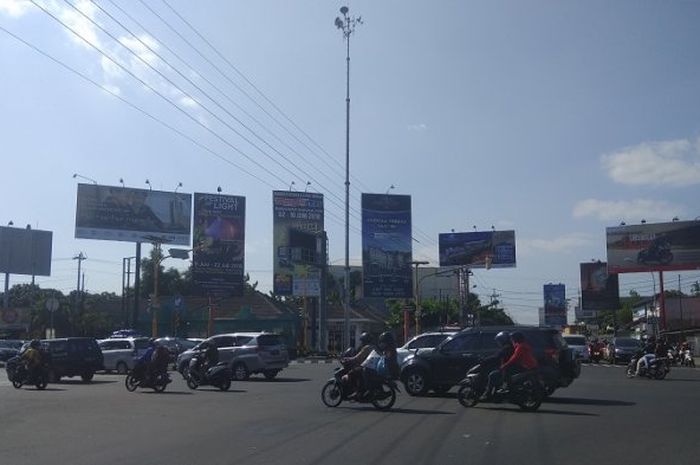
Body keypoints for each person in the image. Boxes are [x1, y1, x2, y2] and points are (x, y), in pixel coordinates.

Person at [481, 331, 515, 399]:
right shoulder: (510, 347)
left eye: (499, 341)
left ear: (503, 340)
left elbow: (496, 357)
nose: (498, 343)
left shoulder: (506, 348)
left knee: (492, 375)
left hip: (507, 369)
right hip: (509, 367)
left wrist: (485, 360)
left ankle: (488, 393)